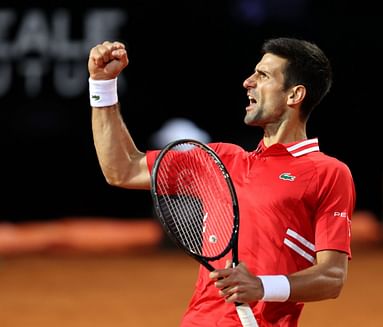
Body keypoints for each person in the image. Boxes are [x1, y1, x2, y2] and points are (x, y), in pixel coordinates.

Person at [88, 37, 356, 326]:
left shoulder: (328, 172)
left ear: (294, 95)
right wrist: (102, 85)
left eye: (263, 75)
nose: (247, 82)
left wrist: (263, 286)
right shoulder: (220, 159)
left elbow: (332, 277)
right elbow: (122, 169)